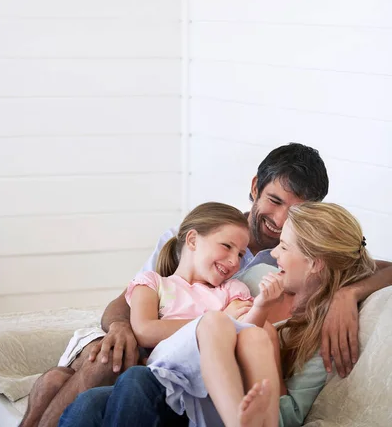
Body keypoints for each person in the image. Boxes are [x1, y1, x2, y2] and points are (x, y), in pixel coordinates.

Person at [20, 143, 392, 427]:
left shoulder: (276, 272)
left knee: (125, 379)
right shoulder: (197, 238)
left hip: (186, 378)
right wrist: (122, 328)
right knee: (86, 373)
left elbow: (351, 263)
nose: (279, 221)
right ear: (255, 187)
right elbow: (131, 299)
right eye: (275, 201)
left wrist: (349, 293)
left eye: (293, 214)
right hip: (157, 353)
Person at [59, 201, 376, 427]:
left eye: (285, 247)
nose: (272, 253)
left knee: (138, 381)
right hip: (179, 380)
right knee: (92, 402)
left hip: (215, 404)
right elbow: (179, 295)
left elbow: (288, 415)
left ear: (314, 263)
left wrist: (265, 379)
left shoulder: (323, 333)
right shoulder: (257, 276)